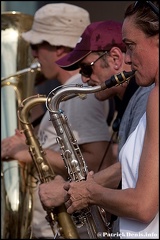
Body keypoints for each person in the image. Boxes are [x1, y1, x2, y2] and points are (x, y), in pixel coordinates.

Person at [1, 3, 116, 239]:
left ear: (60, 48)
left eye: (36, 46)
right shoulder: (68, 92)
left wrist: (28, 151)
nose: (32, 54)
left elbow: (97, 162)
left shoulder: (77, 94)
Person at [56, 2, 159, 239]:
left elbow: (143, 205)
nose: (128, 59)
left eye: (131, 46)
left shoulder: (155, 97)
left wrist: (92, 193)